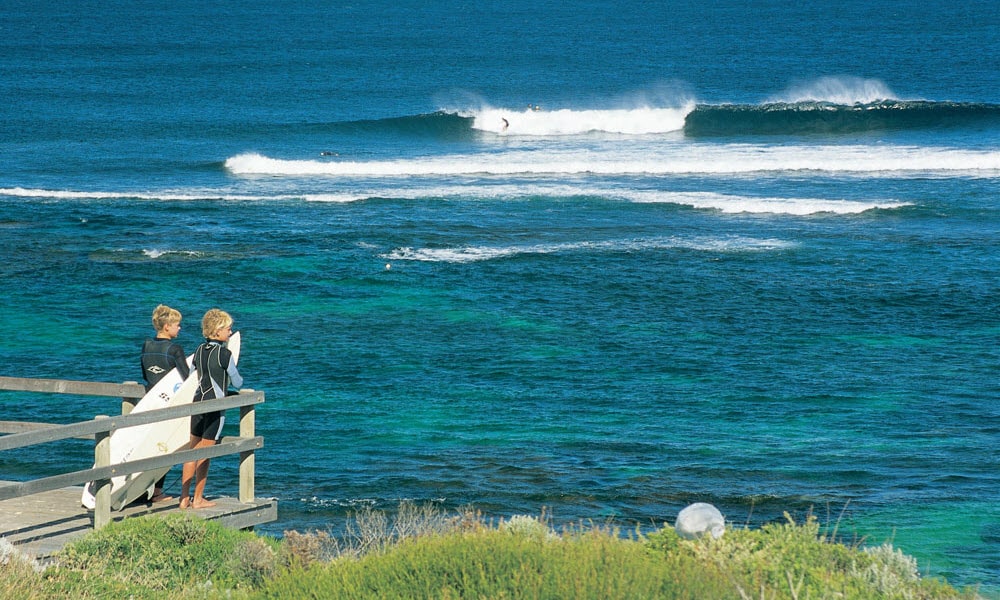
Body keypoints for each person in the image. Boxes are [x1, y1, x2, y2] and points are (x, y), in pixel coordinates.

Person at [180, 308, 243, 509]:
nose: (230, 333)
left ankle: (183, 498)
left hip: (197, 402)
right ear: (217, 331)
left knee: (192, 450)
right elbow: (238, 382)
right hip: (215, 406)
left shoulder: (198, 350)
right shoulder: (225, 354)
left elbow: (191, 375)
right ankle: (198, 499)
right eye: (228, 329)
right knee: (205, 453)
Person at [139, 304, 190, 503]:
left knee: (145, 449)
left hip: (149, 403)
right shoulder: (175, 349)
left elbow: (145, 374)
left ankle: (141, 491)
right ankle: (158, 492)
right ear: (167, 326)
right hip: (168, 407)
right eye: (177, 325)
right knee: (163, 448)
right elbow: (187, 379)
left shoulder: (146, 345)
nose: (180, 328)